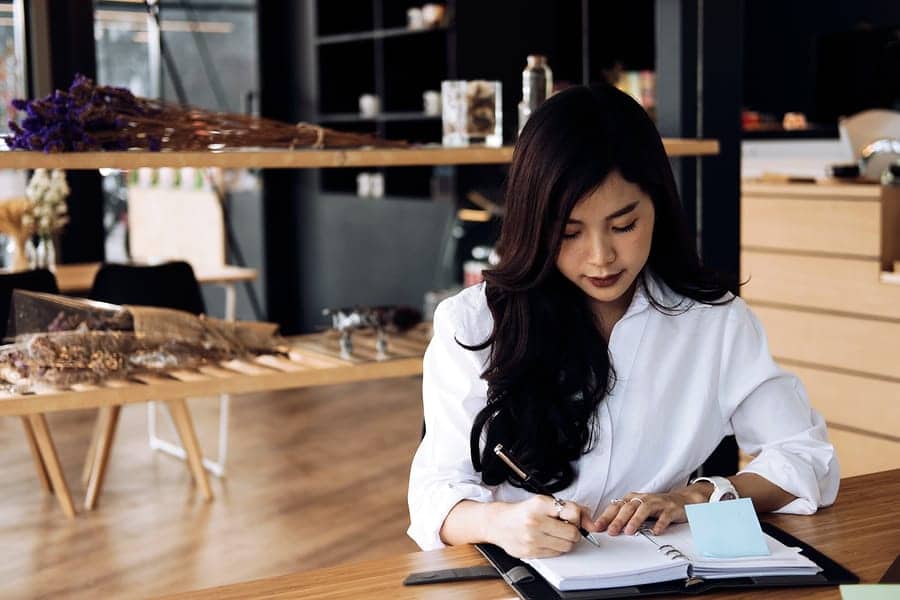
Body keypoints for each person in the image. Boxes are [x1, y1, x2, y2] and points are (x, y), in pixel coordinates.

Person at [407, 84, 838, 559]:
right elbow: (433, 494)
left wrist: (697, 496)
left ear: (657, 206)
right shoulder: (472, 325)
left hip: (666, 574)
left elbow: (806, 456)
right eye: (569, 232)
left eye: (624, 226)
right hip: (516, 578)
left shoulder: (713, 322)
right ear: (535, 225)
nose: (601, 257)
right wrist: (500, 522)